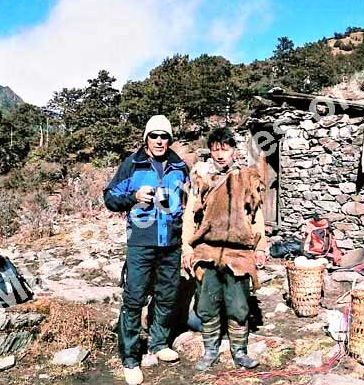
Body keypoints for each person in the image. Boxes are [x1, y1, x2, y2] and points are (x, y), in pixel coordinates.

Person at [103, 115, 189, 385]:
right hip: (141, 242)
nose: (160, 141)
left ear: (170, 139)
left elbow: (191, 200)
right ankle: (130, 358)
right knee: (134, 298)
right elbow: (109, 198)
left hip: (171, 243)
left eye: (165, 136)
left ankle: (159, 343)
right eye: (155, 136)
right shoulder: (132, 164)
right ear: (146, 139)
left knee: (166, 294)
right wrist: (134, 197)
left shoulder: (180, 166)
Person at [181, 126, 269, 371]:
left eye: (225, 149)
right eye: (215, 150)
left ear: (233, 151)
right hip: (207, 250)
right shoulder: (201, 178)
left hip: (238, 254)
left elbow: (256, 215)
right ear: (210, 151)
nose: (220, 155)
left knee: (239, 305)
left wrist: (260, 247)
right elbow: (190, 215)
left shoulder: (246, 178)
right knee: (207, 305)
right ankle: (210, 351)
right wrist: (187, 249)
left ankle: (239, 351)